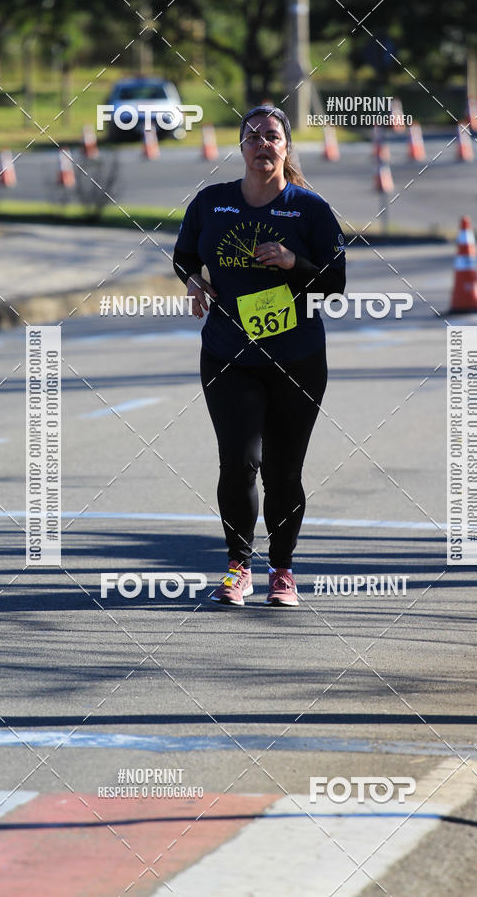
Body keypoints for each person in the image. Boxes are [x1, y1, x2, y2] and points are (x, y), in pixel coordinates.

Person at [173, 105, 346, 607]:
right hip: (229, 356)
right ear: (241, 148)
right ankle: (237, 567)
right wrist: (193, 280)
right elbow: (184, 253)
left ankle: (283, 570)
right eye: (252, 137)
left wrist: (294, 262)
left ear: (285, 147)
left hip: (297, 358)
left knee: (283, 471)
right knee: (240, 462)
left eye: (272, 136)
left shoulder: (309, 209)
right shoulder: (212, 203)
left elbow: (334, 283)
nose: (262, 145)